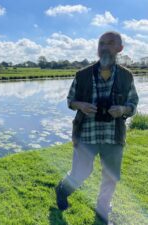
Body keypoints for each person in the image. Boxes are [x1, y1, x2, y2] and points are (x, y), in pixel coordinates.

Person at [55, 31, 139, 224]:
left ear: (120, 48)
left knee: (111, 176)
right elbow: (70, 100)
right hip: (86, 134)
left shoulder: (127, 76)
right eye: (101, 43)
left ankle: (102, 210)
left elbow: (133, 104)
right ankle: (62, 190)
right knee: (80, 173)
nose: (104, 47)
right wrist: (81, 105)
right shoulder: (82, 74)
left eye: (110, 43)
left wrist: (123, 109)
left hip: (113, 135)